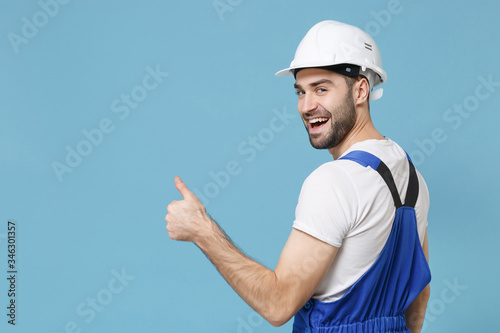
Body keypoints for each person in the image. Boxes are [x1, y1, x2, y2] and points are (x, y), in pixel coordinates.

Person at [165, 20, 431, 332]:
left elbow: (278, 305)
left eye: (321, 88)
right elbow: (419, 295)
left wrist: (202, 230)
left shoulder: (334, 181)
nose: (306, 106)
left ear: (360, 90)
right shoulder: (411, 176)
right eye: (300, 92)